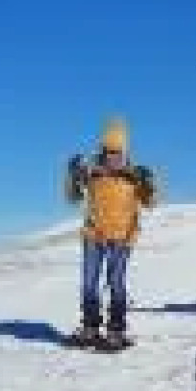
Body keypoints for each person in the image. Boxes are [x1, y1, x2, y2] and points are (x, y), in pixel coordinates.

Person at [62, 116, 157, 348]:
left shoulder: (134, 175)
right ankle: (90, 328)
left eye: (117, 152)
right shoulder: (92, 173)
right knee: (89, 283)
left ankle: (116, 331)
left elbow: (150, 202)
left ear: (124, 151)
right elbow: (72, 197)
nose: (113, 156)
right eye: (109, 151)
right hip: (94, 236)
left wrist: (149, 182)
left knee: (116, 283)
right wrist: (72, 175)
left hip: (122, 238)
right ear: (102, 150)